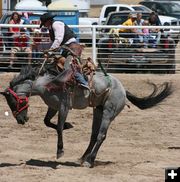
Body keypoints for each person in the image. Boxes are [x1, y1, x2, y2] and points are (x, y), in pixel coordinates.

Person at [39, 12, 89, 89]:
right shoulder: (52, 27)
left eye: (44, 23)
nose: (44, 25)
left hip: (73, 48)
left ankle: (84, 83)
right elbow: (54, 42)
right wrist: (45, 50)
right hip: (67, 49)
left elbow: (58, 39)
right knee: (55, 64)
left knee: (68, 66)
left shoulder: (56, 24)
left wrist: (49, 52)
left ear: (47, 21)